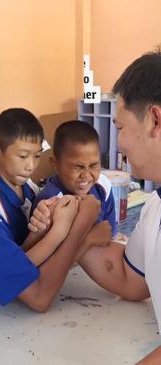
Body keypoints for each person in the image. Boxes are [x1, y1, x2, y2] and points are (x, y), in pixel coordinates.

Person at [0, 106, 101, 312]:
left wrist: (38, 232)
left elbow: (8, 265)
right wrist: (75, 227)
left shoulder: (26, 191)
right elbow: (39, 297)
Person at [76, 50, 161, 364]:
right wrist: (72, 233)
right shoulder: (155, 207)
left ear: (154, 120)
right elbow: (130, 277)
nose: (118, 143)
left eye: (121, 128)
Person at [32, 120, 116, 247]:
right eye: (78, 167)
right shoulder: (48, 203)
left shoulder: (103, 186)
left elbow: (110, 233)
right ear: (55, 164)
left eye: (94, 165)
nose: (86, 175)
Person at [0, 108, 44, 246]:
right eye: (23, 156)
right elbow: (9, 264)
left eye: (37, 156)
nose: (31, 166)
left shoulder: (30, 187)